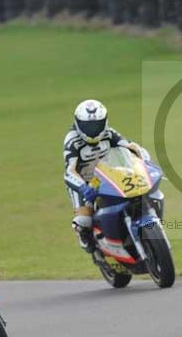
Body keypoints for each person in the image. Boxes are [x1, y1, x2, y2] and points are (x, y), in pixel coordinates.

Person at [63, 99, 148, 253]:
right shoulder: (72, 140)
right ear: (77, 124)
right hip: (83, 182)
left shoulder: (109, 132)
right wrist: (83, 188)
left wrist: (143, 160)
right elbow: (70, 171)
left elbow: (129, 146)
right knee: (84, 220)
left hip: (108, 175)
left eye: (97, 124)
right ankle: (86, 237)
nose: (93, 130)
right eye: (87, 126)